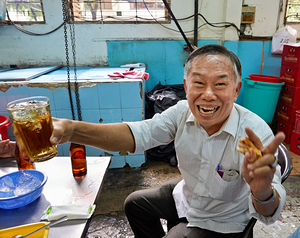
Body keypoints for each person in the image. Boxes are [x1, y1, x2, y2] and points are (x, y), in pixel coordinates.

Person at [15, 44, 286, 238]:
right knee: (135, 204)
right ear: (185, 85)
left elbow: (268, 213)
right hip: (190, 197)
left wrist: (261, 192)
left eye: (220, 84)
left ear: (236, 90)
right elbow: (136, 135)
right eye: (199, 83)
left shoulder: (253, 133)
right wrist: (73, 129)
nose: (208, 95)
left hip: (223, 220)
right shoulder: (181, 111)